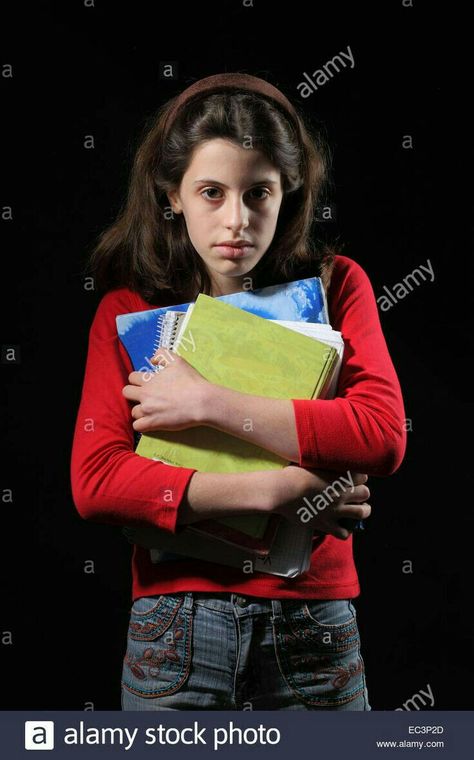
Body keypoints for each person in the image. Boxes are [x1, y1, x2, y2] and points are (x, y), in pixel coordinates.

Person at [70, 72, 407, 711]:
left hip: (311, 622)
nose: (237, 220)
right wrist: (280, 490)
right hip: (175, 625)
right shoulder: (129, 309)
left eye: (259, 193)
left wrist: (207, 403)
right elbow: (97, 482)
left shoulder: (338, 287)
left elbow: (380, 435)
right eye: (211, 192)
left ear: (289, 192)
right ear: (172, 195)